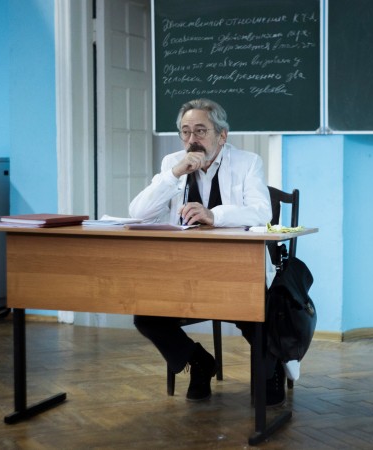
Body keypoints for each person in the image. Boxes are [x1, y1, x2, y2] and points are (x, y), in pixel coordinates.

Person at [129, 98, 286, 406]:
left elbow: (261, 212)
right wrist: (174, 174)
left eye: (200, 131)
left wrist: (215, 215)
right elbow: (139, 213)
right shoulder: (173, 163)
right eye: (185, 132)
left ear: (221, 135)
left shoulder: (248, 162)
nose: (192, 139)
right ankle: (199, 362)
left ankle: (270, 371)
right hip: (182, 270)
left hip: (235, 270)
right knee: (146, 315)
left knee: (256, 310)